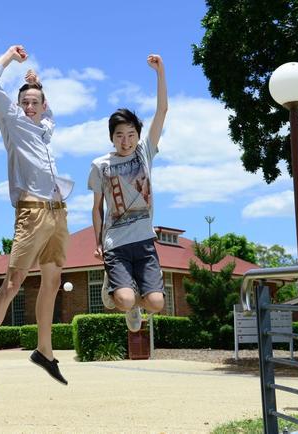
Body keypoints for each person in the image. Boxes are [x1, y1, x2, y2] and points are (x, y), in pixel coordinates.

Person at [0, 45, 74, 400]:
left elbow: (49, 111)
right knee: (12, 285)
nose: (30, 106)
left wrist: (38, 84)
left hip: (58, 211)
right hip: (31, 212)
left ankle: (44, 351)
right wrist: (10, 58)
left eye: (35, 102)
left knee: (53, 280)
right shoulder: (11, 119)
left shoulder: (45, 127)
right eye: (25, 101)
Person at [88, 54, 168, 332]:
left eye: (131, 134)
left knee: (156, 303)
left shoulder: (145, 152)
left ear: (138, 135)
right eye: (120, 135)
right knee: (123, 298)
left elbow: (162, 112)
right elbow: (98, 207)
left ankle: (136, 303)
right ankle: (119, 292)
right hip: (116, 242)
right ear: (112, 137)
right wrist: (97, 241)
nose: (126, 140)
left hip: (145, 241)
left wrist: (160, 72)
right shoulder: (101, 165)